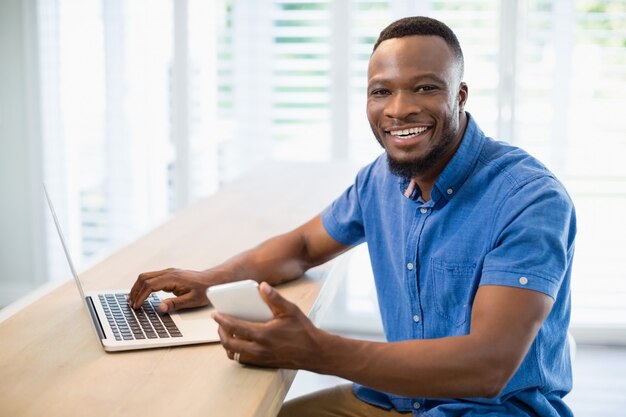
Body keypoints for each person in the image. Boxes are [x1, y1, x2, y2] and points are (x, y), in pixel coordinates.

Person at [129, 16, 576, 417]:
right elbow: (302, 247)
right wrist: (211, 279)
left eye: (425, 87)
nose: (399, 108)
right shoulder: (380, 181)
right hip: (400, 397)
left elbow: (488, 366)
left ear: (459, 95)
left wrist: (316, 352)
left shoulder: (529, 199)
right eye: (381, 91)